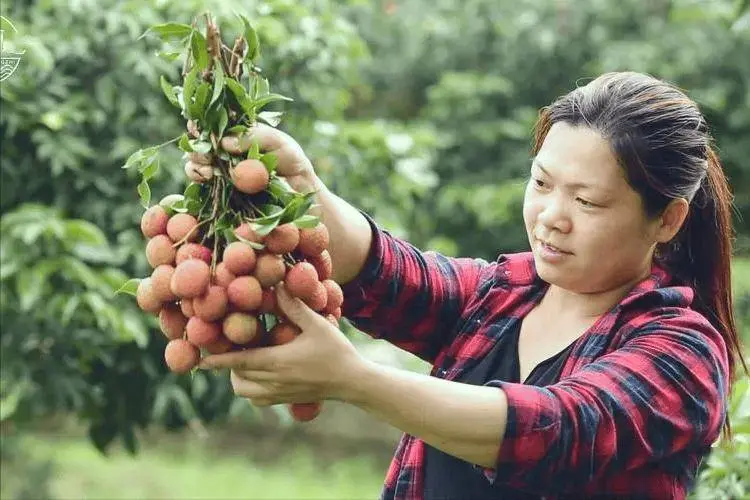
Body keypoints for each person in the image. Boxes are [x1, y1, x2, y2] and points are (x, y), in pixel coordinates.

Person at [194, 71, 747, 499]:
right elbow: (385, 273)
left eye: (586, 201)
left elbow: (558, 429)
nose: (552, 216)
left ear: (668, 220)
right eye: (541, 183)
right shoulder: (501, 296)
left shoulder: (684, 353)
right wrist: (300, 181)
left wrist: (355, 380)